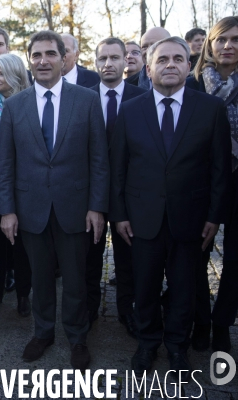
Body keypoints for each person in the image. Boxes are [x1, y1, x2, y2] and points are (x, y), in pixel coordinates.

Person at [110, 37, 231, 376]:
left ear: (188, 65)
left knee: (184, 289)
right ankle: (147, 343)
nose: (171, 65)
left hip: (190, 220)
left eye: (179, 58)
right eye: (162, 59)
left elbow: (220, 169)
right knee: (145, 287)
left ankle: (178, 347)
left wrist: (214, 218)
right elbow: (118, 167)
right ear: (148, 69)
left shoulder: (209, 109)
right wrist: (118, 214)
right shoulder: (131, 110)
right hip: (141, 219)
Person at [0, 31, 109, 369]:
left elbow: (99, 160)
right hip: (30, 210)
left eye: (50, 54)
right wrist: (7, 211)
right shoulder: (14, 106)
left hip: (75, 209)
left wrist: (96, 207)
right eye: (36, 55)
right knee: (39, 277)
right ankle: (43, 332)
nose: (43, 60)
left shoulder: (87, 100)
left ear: (64, 58)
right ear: (29, 61)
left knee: (75, 279)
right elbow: (5, 164)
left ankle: (77, 337)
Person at [88, 38, 146, 336]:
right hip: (90, 193)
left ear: (126, 61)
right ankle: (88, 309)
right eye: (102, 58)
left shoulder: (143, 96)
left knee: (127, 256)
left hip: (130, 193)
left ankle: (127, 311)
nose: (108, 64)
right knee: (89, 255)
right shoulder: (82, 97)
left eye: (114, 58)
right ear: (95, 62)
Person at [189, 16, 238, 353]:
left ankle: (222, 322)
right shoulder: (193, 84)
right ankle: (201, 321)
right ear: (211, 43)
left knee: (235, 260)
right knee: (194, 256)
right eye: (221, 39)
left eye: (235, 39)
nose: (228, 46)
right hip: (199, 182)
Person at [0, 53, 33, 317]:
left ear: (15, 74)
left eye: (1, 72)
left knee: (22, 247)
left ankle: (24, 293)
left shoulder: (30, 103)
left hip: (23, 188)